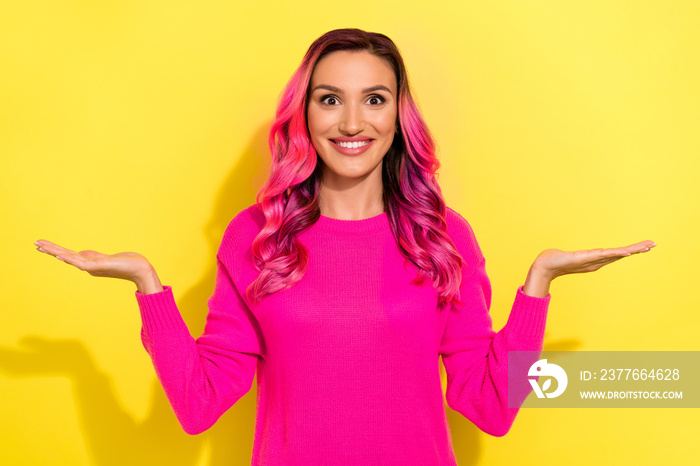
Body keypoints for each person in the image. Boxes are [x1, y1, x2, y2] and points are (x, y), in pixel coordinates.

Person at [34, 28, 655, 464]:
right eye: (330, 99)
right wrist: (147, 285)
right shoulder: (257, 238)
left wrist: (538, 286)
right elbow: (199, 404)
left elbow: (490, 406)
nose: (352, 122)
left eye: (374, 99)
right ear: (304, 114)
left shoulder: (442, 238)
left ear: (397, 117)